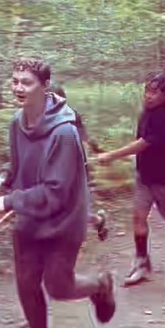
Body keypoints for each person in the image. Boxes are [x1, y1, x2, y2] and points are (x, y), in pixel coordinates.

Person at [0, 57, 115, 328]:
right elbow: (20, 166)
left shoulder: (64, 133)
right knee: (26, 281)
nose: (18, 88)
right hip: (30, 216)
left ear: (45, 86)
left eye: (26, 82)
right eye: (15, 81)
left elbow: (56, 192)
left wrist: (10, 201)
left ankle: (100, 285)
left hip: (63, 220)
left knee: (59, 287)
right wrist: (6, 178)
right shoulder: (16, 122)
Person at [95, 72, 165, 286]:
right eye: (147, 90)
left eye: (155, 92)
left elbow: (143, 143)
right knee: (138, 217)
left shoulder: (163, 118)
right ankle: (142, 262)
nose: (149, 95)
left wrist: (112, 155)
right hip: (144, 175)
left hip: (164, 178)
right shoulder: (147, 111)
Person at [53, 85, 108, 241]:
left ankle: (98, 221)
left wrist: (96, 151)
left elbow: (84, 137)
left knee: (78, 210)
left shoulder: (71, 116)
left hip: (76, 169)